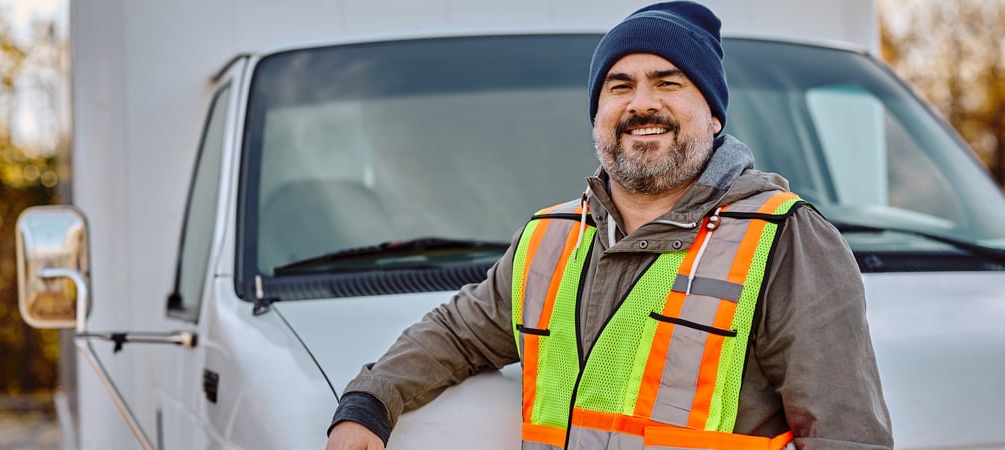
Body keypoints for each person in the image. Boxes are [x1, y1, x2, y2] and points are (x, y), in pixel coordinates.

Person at [325, 1, 893, 449]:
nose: (641, 104)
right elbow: (457, 334)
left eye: (668, 82)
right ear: (598, 115)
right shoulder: (550, 240)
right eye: (620, 86)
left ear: (714, 114)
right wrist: (371, 401)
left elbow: (845, 436)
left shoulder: (786, 239)